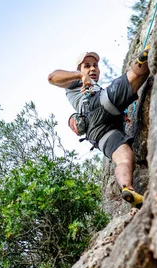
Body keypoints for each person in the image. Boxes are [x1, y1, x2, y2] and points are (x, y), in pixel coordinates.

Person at [47, 46, 150, 208]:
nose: (92, 68)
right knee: (139, 73)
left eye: (95, 65)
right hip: (96, 106)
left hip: (97, 131)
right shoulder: (74, 82)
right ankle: (145, 56)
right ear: (79, 69)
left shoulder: (93, 85)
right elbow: (52, 77)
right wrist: (81, 76)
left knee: (124, 158)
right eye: (87, 66)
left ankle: (127, 188)